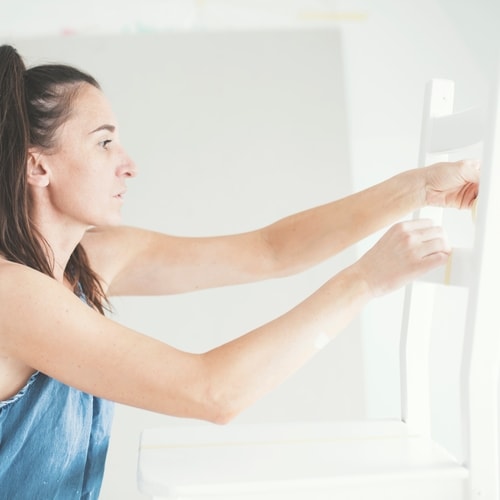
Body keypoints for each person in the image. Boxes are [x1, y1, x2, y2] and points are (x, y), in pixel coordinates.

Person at [0, 43, 479, 499]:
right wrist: (365, 281)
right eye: (104, 143)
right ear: (37, 167)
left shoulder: (92, 261)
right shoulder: (12, 293)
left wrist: (418, 188)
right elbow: (212, 392)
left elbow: (271, 250)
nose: (129, 165)